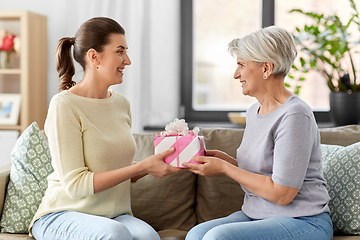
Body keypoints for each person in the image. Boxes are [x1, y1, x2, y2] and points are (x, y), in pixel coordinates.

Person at [29, 17, 181, 240]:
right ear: (94, 56)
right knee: (114, 234)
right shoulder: (64, 105)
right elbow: (75, 185)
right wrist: (141, 168)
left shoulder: (121, 104)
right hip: (63, 213)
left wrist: (152, 165)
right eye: (120, 51)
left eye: (126, 51)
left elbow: (113, 167)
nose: (127, 60)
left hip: (113, 215)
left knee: (148, 237)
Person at [183, 26, 333, 240]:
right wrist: (227, 162)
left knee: (218, 237)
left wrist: (226, 169)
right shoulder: (254, 111)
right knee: (196, 234)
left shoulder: (295, 115)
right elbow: (264, 174)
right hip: (258, 215)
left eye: (241, 65)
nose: (236, 74)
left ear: (266, 69)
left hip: (303, 220)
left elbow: (282, 194)